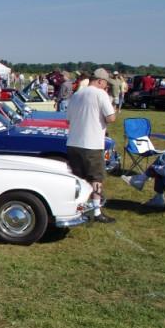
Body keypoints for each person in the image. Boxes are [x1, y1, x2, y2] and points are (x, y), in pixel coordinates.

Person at [66, 68, 117, 223]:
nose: (106, 87)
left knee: (79, 177)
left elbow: (68, 120)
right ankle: (96, 211)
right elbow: (111, 118)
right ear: (101, 81)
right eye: (105, 84)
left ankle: (78, 207)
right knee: (96, 178)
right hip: (92, 144)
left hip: (74, 142)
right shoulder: (100, 94)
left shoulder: (77, 94)